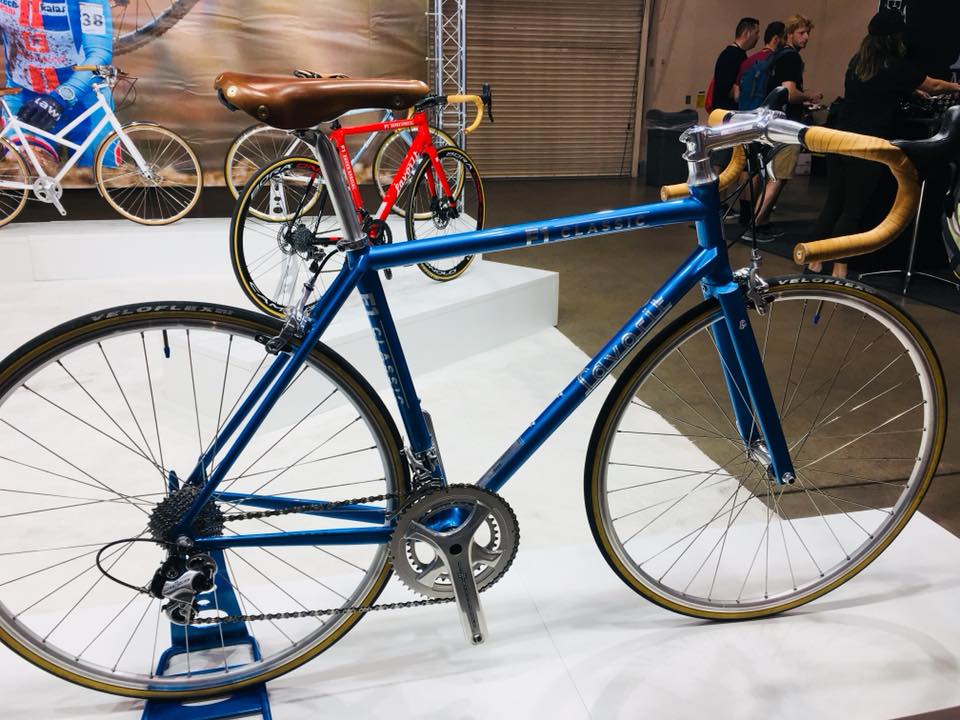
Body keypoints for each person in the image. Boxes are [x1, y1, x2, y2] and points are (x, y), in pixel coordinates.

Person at [810, 8, 960, 277]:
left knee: (834, 203)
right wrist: (957, 87)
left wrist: (910, 89)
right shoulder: (895, 65)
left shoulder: (858, 62)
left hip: (839, 138)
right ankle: (840, 267)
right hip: (866, 144)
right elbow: (935, 86)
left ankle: (814, 260)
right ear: (894, 38)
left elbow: (878, 87)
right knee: (853, 209)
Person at [0, 0, 116, 167]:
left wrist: (61, 97)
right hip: (25, 99)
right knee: (21, 171)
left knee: (103, 177)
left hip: (86, 101)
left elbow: (100, 55)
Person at [744, 14, 823, 242]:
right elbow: (789, 92)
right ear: (789, 34)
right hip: (785, 126)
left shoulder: (776, 57)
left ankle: (761, 221)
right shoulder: (792, 58)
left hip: (768, 121)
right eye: (801, 33)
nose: (806, 37)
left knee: (769, 173)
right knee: (779, 175)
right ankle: (756, 225)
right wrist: (808, 95)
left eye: (807, 33)